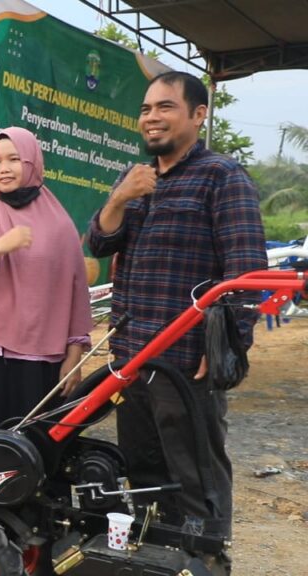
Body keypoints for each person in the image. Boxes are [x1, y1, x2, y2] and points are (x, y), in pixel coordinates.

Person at [87, 71, 266, 546]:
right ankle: (158, 557)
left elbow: (247, 273)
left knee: (194, 474)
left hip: (186, 361)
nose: (151, 117)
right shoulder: (134, 179)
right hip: (132, 357)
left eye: (165, 107)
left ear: (198, 114)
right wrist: (120, 196)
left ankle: (206, 558)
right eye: (146, 109)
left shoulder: (222, 177)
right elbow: (100, 243)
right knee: (143, 470)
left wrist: (226, 346)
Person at [0, 127, 93, 427]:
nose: (3, 169)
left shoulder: (60, 224)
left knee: (33, 442)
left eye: (13, 159)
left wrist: (75, 355)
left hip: (40, 358)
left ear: (33, 162)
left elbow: (75, 293)